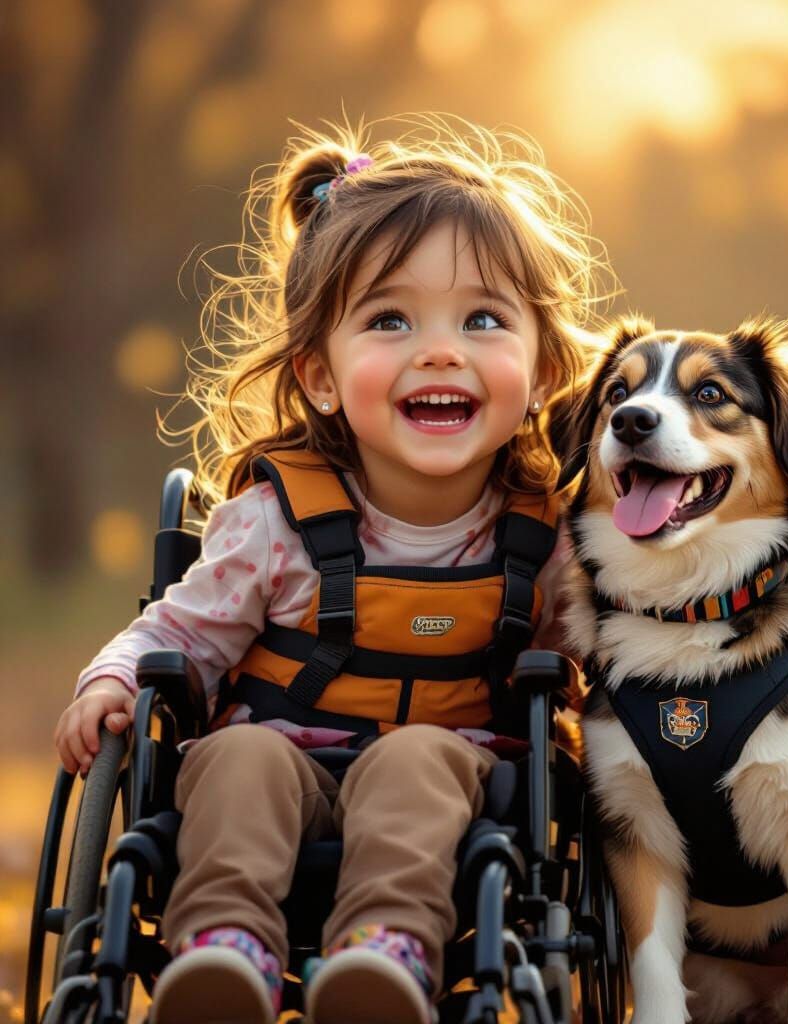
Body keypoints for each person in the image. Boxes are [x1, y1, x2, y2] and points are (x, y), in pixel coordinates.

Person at [53, 114, 611, 1024]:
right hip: (281, 769)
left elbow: (603, 668)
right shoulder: (276, 521)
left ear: (545, 370)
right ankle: (222, 951)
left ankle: (382, 958)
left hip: (455, 792)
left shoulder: (546, 535)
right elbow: (179, 630)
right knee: (237, 758)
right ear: (319, 375)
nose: (440, 349)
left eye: (483, 319)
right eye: (390, 320)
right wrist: (114, 679)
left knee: (416, 760)